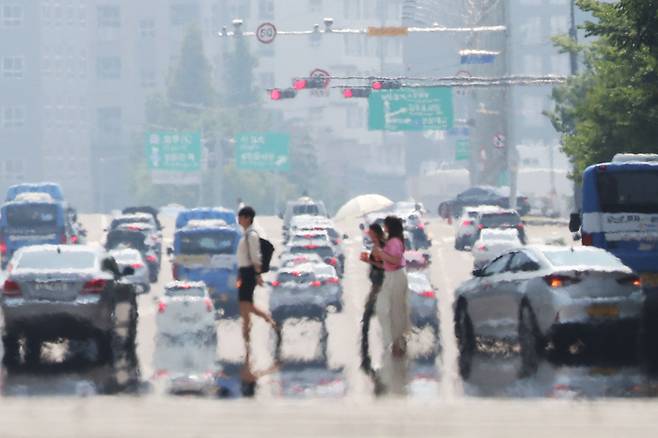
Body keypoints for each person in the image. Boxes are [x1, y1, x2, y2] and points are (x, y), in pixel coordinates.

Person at [237, 206, 277, 350]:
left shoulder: (251, 235)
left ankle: (267, 322)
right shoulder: (246, 234)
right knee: (245, 305)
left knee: (245, 305)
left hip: (248, 273)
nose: (239, 220)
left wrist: (257, 274)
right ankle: (248, 333)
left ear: (248, 218)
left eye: (241, 217)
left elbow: (255, 257)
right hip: (244, 272)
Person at [372, 216, 410, 358]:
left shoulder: (394, 242)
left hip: (396, 276)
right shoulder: (392, 241)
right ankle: (395, 341)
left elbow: (395, 260)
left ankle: (398, 343)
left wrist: (381, 253)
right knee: (388, 309)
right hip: (391, 276)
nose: (384, 228)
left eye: (386, 225)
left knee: (395, 310)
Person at [359, 223, 386, 371]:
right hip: (378, 287)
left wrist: (370, 261)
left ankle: (366, 357)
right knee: (366, 320)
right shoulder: (377, 246)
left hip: (383, 288)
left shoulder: (383, 247)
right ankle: (365, 356)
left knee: (368, 318)